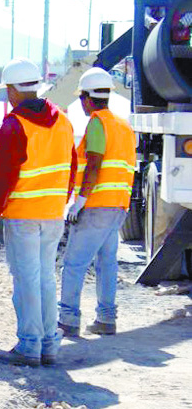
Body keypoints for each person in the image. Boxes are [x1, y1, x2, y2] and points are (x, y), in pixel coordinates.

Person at [0, 57, 76, 367]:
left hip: (23, 214)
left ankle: (29, 346)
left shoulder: (13, 125)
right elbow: (71, 168)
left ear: (12, 91)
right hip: (53, 214)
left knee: (26, 280)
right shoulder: (63, 121)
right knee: (46, 279)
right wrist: (60, 202)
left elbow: (2, 177)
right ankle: (49, 343)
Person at [59, 67, 136, 337]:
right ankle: (106, 319)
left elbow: (94, 164)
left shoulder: (97, 123)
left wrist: (78, 201)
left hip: (96, 205)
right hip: (118, 206)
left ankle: (67, 320)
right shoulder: (124, 126)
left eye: (81, 98)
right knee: (106, 263)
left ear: (87, 98)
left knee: (74, 264)